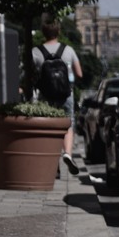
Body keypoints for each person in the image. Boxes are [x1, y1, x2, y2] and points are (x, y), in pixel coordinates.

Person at [32, 14, 82, 175]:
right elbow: (79, 73)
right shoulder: (68, 50)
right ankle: (67, 153)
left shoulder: (36, 52)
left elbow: (30, 75)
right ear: (58, 31)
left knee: (49, 127)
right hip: (66, 94)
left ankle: (55, 165)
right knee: (68, 124)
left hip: (46, 95)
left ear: (43, 32)